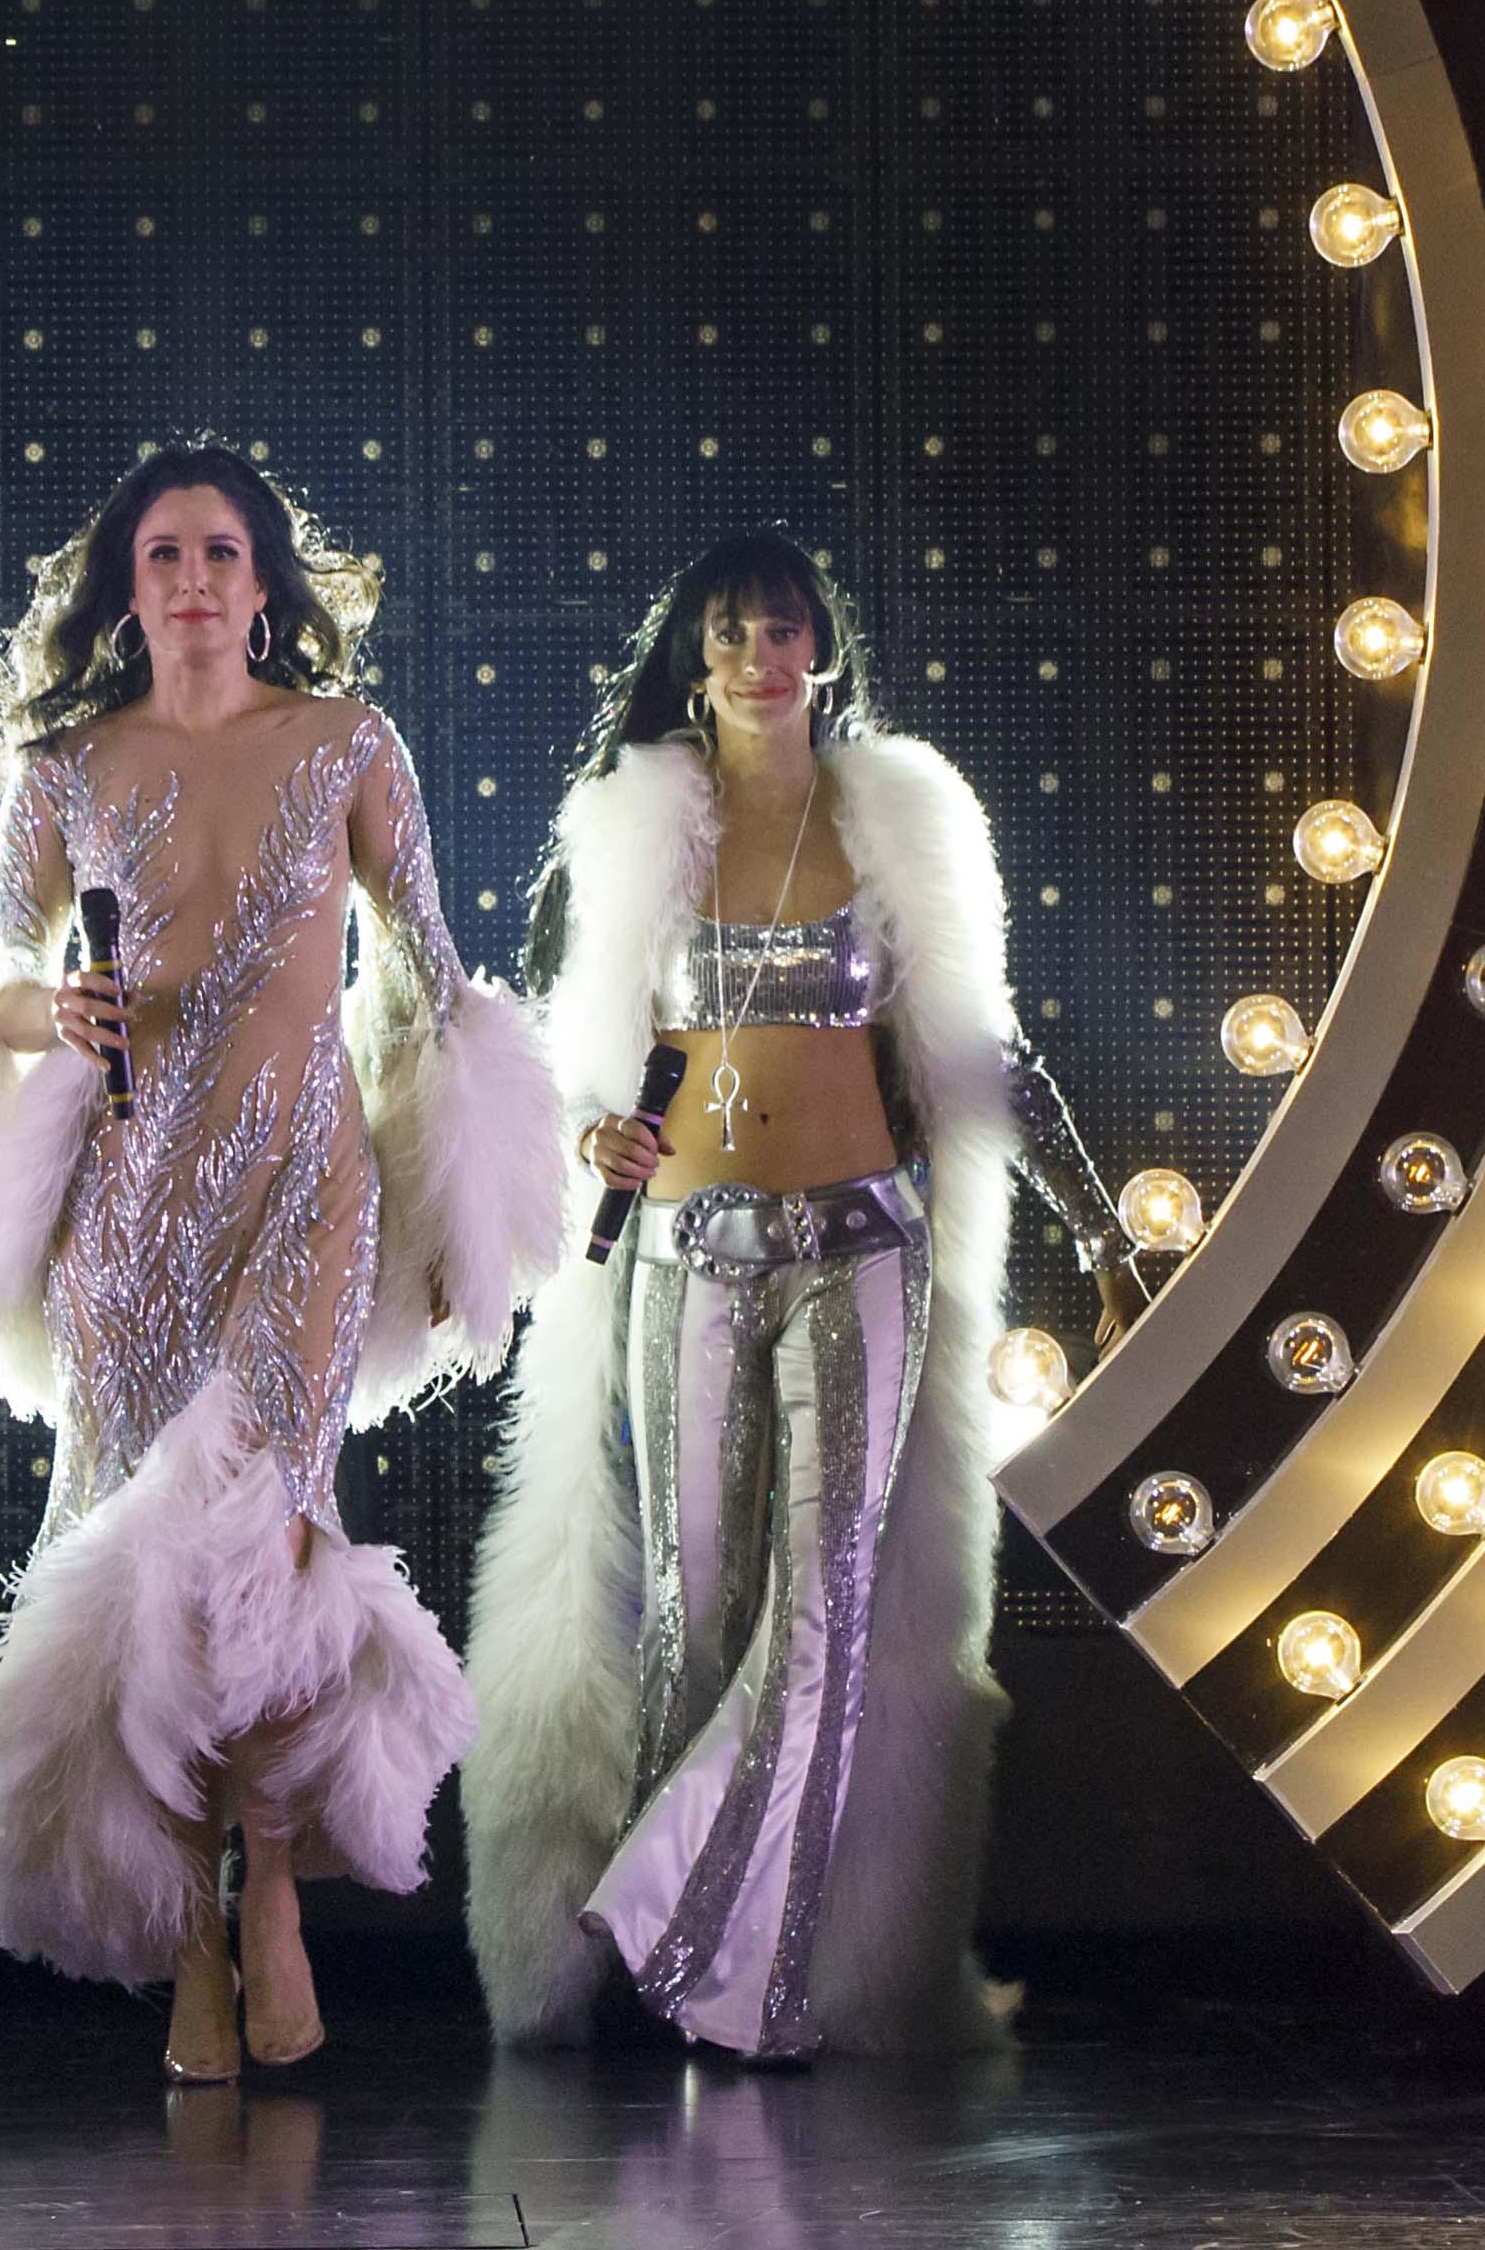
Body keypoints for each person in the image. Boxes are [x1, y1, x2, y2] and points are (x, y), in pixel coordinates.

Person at [0, 440, 562, 2084]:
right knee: (141, 1546)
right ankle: (181, 1934)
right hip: (127, 1208)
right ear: (125, 588)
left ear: (263, 582)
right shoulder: (64, 768)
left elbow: (437, 978)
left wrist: (470, 1211)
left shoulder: (347, 743)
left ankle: (275, 1898)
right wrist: (48, 1013)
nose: (189, 579)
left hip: (307, 1195)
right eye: (160, 554)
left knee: (267, 1528)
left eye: (219, 552)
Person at [458, 531, 1143, 2065]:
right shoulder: (631, 827)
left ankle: (723, 1956)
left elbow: (978, 1054)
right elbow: (550, 1049)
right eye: (732, 633)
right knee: (691, 1619)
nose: (763, 658)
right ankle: (659, 1965)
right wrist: (588, 1131)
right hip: (685, 1250)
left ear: (820, 652)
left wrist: (1098, 1230)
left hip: (861, 1249)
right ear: (690, 657)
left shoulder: (897, 817)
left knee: (827, 1619)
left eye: (786, 633)